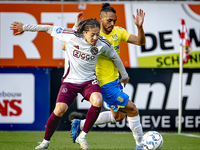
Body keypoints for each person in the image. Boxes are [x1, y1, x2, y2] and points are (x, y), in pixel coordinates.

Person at [10, 18, 129, 150]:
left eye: (97, 34)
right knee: (60, 110)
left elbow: (115, 58)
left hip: (89, 81)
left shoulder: (103, 43)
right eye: (92, 34)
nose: (96, 37)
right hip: (70, 82)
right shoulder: (71, 36)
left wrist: (124, 75)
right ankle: (45, 142)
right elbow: (48, 28)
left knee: (98, 101)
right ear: (84, 32)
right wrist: (25, 27)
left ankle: (82, 136)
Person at [68, 3, 146, 150]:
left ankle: (81, 124)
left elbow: (141, 42)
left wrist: (140, 27)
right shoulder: (93, 35)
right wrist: (75, 30)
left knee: (119, 117)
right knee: (133, 110)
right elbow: (68, 45)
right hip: (103, 83)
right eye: (109, 20)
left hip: (115, 81)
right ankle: (140, 145)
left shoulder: (118, 32)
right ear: (100, 19)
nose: (112, 23)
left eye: (114, 20)